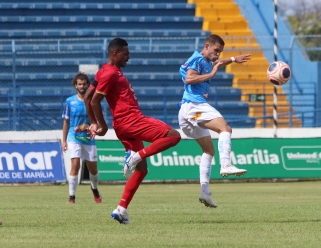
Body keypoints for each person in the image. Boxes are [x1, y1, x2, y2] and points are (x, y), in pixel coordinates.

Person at [84, 37, 181, 224]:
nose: (128, 57)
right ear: (115, 53)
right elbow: (94, 101)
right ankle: (135, 157)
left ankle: (121, 209)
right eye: (125, 54)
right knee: (174, 136)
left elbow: (88, 97)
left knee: (142, 170)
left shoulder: (105, 70)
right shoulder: (110, 73)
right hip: (130, 120)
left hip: (123, 125)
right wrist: (101, 126)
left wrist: (94, 123)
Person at [178, 34, 251, 208]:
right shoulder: (197, 59)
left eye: (220, 52)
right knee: (225, 129)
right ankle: (226, 164)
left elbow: (217, 62)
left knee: (209, 151)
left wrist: (233, 59)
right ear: (207, 46)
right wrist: (211, 74)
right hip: (194, 105)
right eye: (216, 50)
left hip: (188, 114)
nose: (218, 55)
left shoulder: (206, 60)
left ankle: (205, 193)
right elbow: (189, 78)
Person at [62, 72, 102, 204]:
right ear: (75, 85)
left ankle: (94, 189)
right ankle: (71, 197)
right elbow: (66, 121)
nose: (82, 86)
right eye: (79, 84)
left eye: (84, 84)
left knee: (93, 169)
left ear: (88, 85)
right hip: (74, 137)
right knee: (75, 165)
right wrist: (64, 141)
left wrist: (94, 127)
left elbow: (97, 119)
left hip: (88, 138)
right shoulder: (70, 101)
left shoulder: (93, 100)